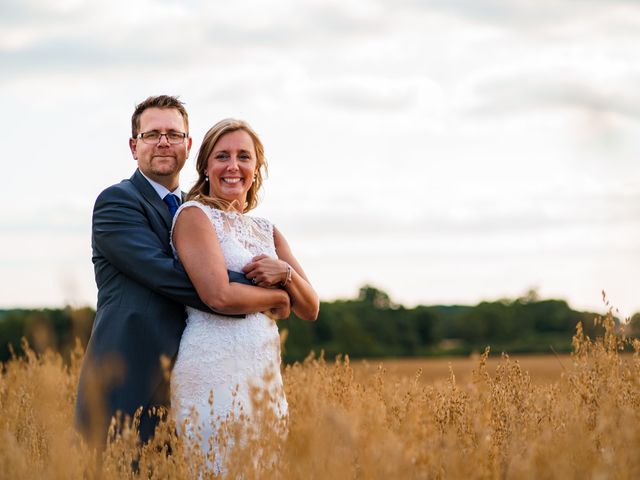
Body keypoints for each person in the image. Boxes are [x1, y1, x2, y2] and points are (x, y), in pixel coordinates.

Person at [74, 96, 287, 448]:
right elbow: (170, 275)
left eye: (173, 134)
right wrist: (269, 291)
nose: (163, 142)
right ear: (133, 145)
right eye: (152, 133)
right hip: (128, 378)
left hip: (198, 382)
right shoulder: (117, 202)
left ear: (188, 146)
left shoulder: (201, 211)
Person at [170, 118, 319, 467]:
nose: (233, 166)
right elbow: (218, 296)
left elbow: (310, 307)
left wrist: (285, 273)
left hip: (263, 376)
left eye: (244, 157)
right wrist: (280, 297)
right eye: (222, 156)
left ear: (256, 167)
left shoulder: (267, 229)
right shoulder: (195, 215)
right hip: (212, 372)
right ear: (206, 166)